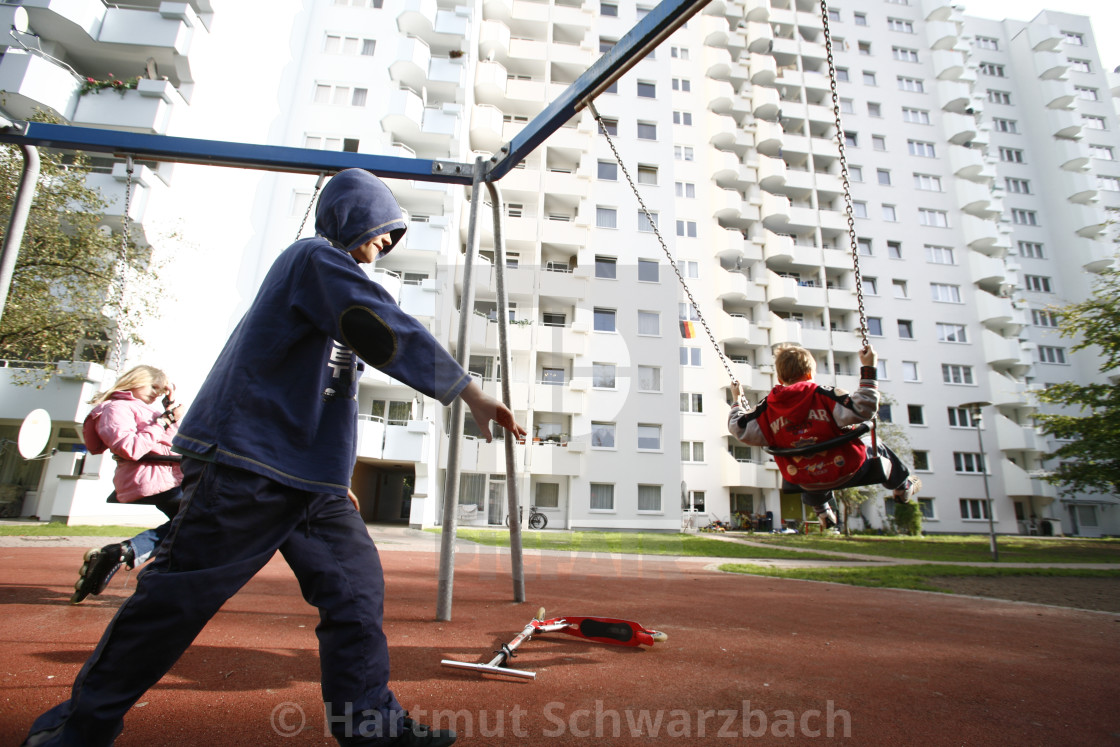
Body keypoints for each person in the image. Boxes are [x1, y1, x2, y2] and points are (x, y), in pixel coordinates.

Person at [24, 169, 526, 747]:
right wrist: (469, 390)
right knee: (176, 601)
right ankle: (77, 729)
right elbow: (385, 327)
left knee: (356, 594)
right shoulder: (313, 260)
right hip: (246, 463)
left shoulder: (336, 286)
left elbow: (323, 394)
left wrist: (333, 477)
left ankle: (372, 726)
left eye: (397, 233)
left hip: (310, 485)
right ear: (350, 217)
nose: (388, 241)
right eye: (383, 226)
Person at [728, 343, 920, 531]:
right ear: (810, 374)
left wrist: (737, 401)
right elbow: (864, 408)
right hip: (847, 468)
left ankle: (823, 511)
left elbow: (739, 429)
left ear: (779, 378)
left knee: (808, 469)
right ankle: (902, 485)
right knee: (873, 441)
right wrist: (869, 368)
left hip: (802, 476)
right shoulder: (824, 395)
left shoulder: (768, 409)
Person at [71, 365, 185, 604]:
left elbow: (173, 442)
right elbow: (130, 448)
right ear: (135, 380)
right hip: (152, 478)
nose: (156, 393)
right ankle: (149, 577)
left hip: (168, 477)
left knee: (188, 526)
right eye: (153, 386)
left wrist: (169, 409)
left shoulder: (145, 410)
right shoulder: (115, 408)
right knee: (197, 522)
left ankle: (120, 554)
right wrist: (162, 421)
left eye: (161, 389)